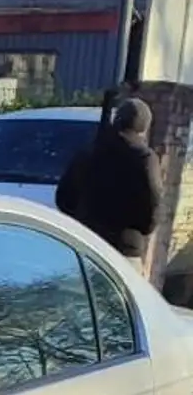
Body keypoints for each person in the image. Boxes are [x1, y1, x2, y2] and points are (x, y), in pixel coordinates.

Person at [56, 97, 162, 276]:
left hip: (87, 241)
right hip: (124, 246)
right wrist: (141, 229)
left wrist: (82, 218)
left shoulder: (89, 152)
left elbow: (63, 197)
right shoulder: (144, 157)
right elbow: (153, 200)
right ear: (144, 127)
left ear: (116, 120)